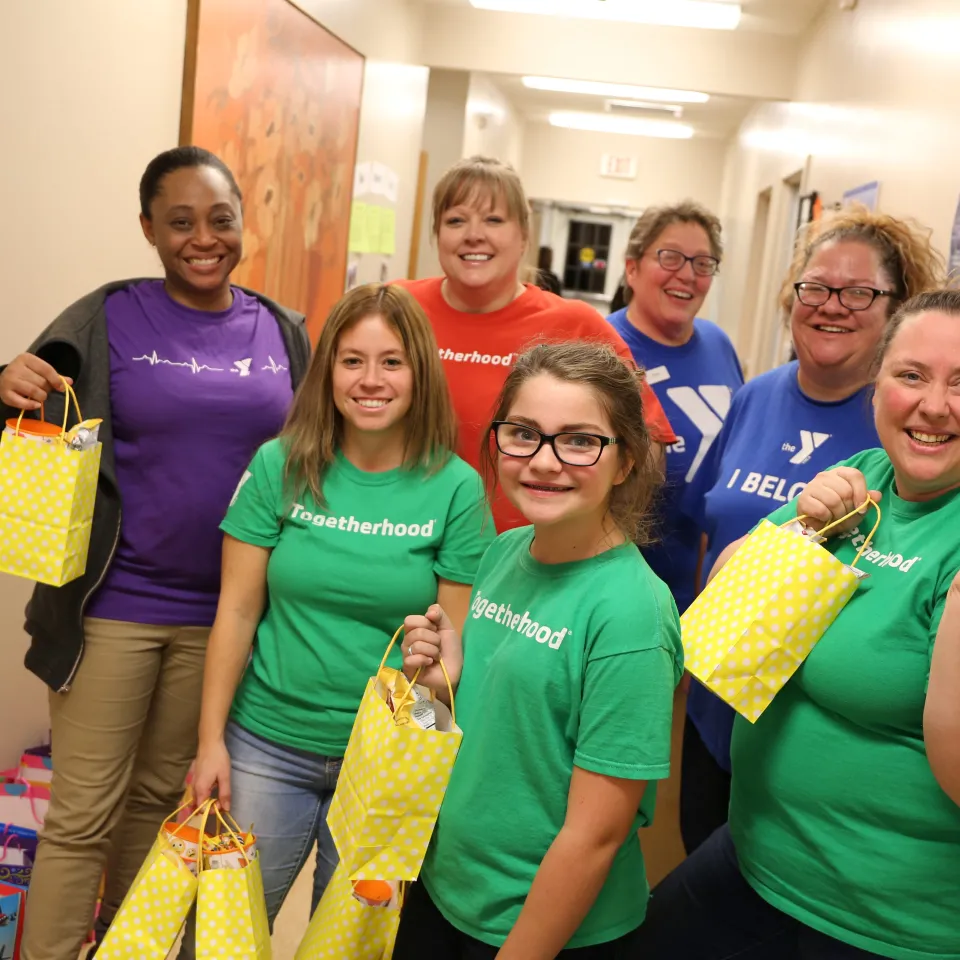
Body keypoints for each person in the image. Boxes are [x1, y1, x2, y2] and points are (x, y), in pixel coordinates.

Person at [0, 146, 311, 960]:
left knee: (157, 807)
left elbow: (319, 456)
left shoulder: (281, 331)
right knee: (81, 816)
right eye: (179, 221)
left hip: (225, 622)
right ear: (148, 229)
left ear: (244, 223)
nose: (202, 238)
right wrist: (5, 376)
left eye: (220, 219)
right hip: (113, 610)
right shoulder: (108, 316)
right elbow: (26, 396)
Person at [635, 289, 960, 960]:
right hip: (754, 858)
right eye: (911, 376)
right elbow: (715, 627)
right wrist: (801, 532)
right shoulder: (863, 480)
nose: (933, 405)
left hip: (879, 923)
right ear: (877, 390)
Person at [190, 284, 493, 929]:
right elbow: (237, 613)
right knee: (223, 937)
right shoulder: (280, 466)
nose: (370, 380)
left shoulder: (457, 489)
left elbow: (453, 656)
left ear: (419, 374)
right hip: (266, 744)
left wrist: (419, 773)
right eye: (352, 360)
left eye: (392, 361)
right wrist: (210, 741)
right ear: (328, 370)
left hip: (385, 758)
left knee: (351, 944)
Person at [392, 342, 683, 959]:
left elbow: (595, 836)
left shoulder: (630, 612)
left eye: (579, 440)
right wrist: (433, 693)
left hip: (542, 930)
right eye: (524, 433)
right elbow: (448, 737)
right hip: (446, 893)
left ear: (626, 459)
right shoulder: (504, 553)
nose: (544, 461)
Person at [678, 208, 944, 853]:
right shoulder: (754, 397)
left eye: (860, 293)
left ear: (895, 314)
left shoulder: (911, 439)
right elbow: (710, 534)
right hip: (717, 715)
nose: (833, 307)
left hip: (821, 758)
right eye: (816, 288)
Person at [396, 156, 676, 530]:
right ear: (437, 234)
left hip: (534, 558)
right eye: (455, 220)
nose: (473, 234)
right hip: (404, 543)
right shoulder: (397, 308)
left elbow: (648, 448)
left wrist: (593, 531)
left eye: (494, 220)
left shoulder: (574, 324)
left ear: (524, 236)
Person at [607, 200, 743, 614]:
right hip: (620, 595)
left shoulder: (719, 344)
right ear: (633, 267)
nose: (687, 274)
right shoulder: (602, 347)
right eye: (670, 257)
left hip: (702, 592)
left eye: (703, 263)